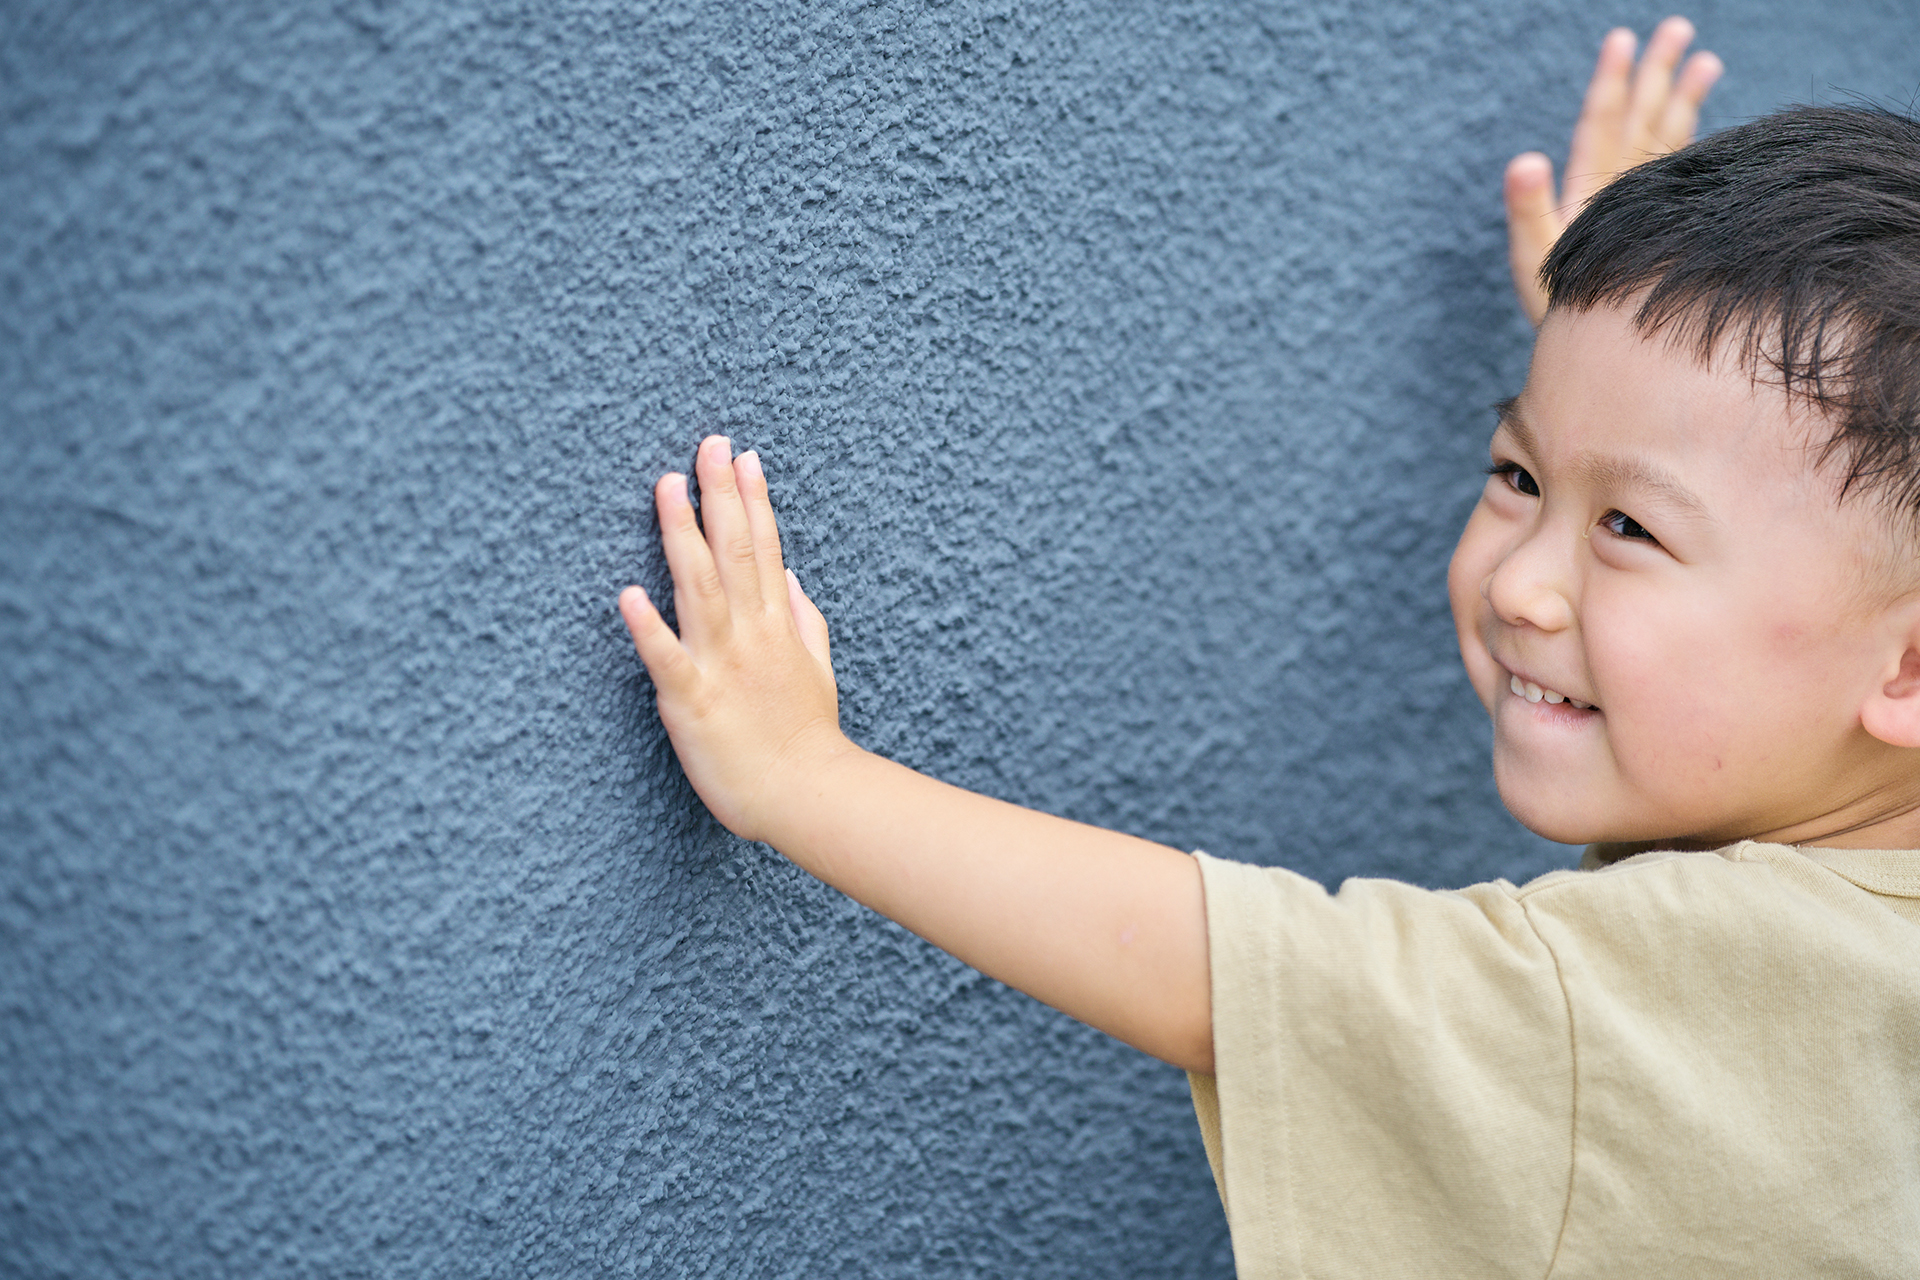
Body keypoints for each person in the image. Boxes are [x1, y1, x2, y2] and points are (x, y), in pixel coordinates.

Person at [618, 18, 1920, 1277]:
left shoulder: (1665, 995)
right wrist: (1632, 381)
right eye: (1518, 473)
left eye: (1627, 525)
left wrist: (800, 774)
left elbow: (1233, 982)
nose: (1522, 583)